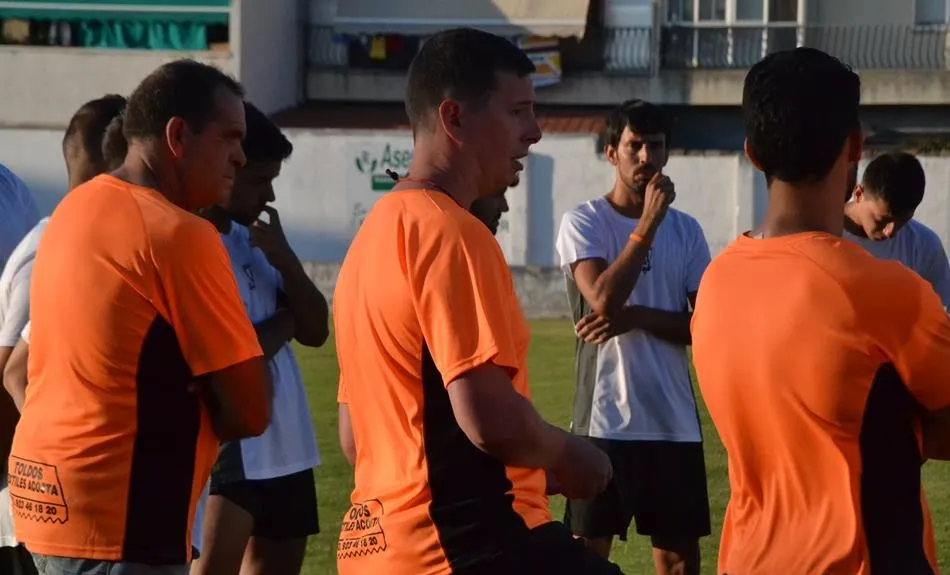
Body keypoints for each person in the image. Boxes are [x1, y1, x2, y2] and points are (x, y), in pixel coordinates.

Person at [332, 27, 621, 575]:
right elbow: (487, 416)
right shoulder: (452, 232)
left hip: (376, 551)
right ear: (455, 118)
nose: (534, 132)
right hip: (465, 544)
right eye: (518, 112)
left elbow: (355, 438)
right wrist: (566, 454)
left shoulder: (369, 241)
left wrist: (532, 464)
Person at [7, 59, 272, 575]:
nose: (241, 156)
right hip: (120, 519)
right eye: (230, 137)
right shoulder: (179, 235)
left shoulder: (72, 213)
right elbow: (251, 410)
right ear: (177, 136)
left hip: (47, 505)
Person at [691, 47, 950, 574]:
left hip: (750, 560)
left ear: (752, 154)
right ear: (855, 145)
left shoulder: (715, 283)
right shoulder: (882, 291)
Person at [554, 99, 711, 575]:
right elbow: (602, 300)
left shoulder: (686, 231)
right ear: (610, 153)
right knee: (588, 556)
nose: (645, 157)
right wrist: (647, 224)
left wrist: (639, 315)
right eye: (634, 146)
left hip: (673, 422)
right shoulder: (584, 222)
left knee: (679, 563)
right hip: (605, 423)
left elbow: (705, 326)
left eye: (656, 146)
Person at [191, 101, 329, 575]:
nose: (268, 194)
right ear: (227, 167)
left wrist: (288, 262)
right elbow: (235, 349)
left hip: (289, 443)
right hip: (234, 448)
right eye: (258, 180)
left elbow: (317, 329)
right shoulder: (194, 240)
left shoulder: (259, 238)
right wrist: (285, 321)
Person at [0, 94, 128, 575]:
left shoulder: (26, 203)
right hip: (38, 508)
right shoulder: (55, 243)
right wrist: (52, 471)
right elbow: (13, 371)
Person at [843, 151, 950, 307]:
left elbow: (944, 313)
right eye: (882, 220)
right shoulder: (818, 234)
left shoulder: (925, 247)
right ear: (859, 194)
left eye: (902, 222)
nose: (890, 232)